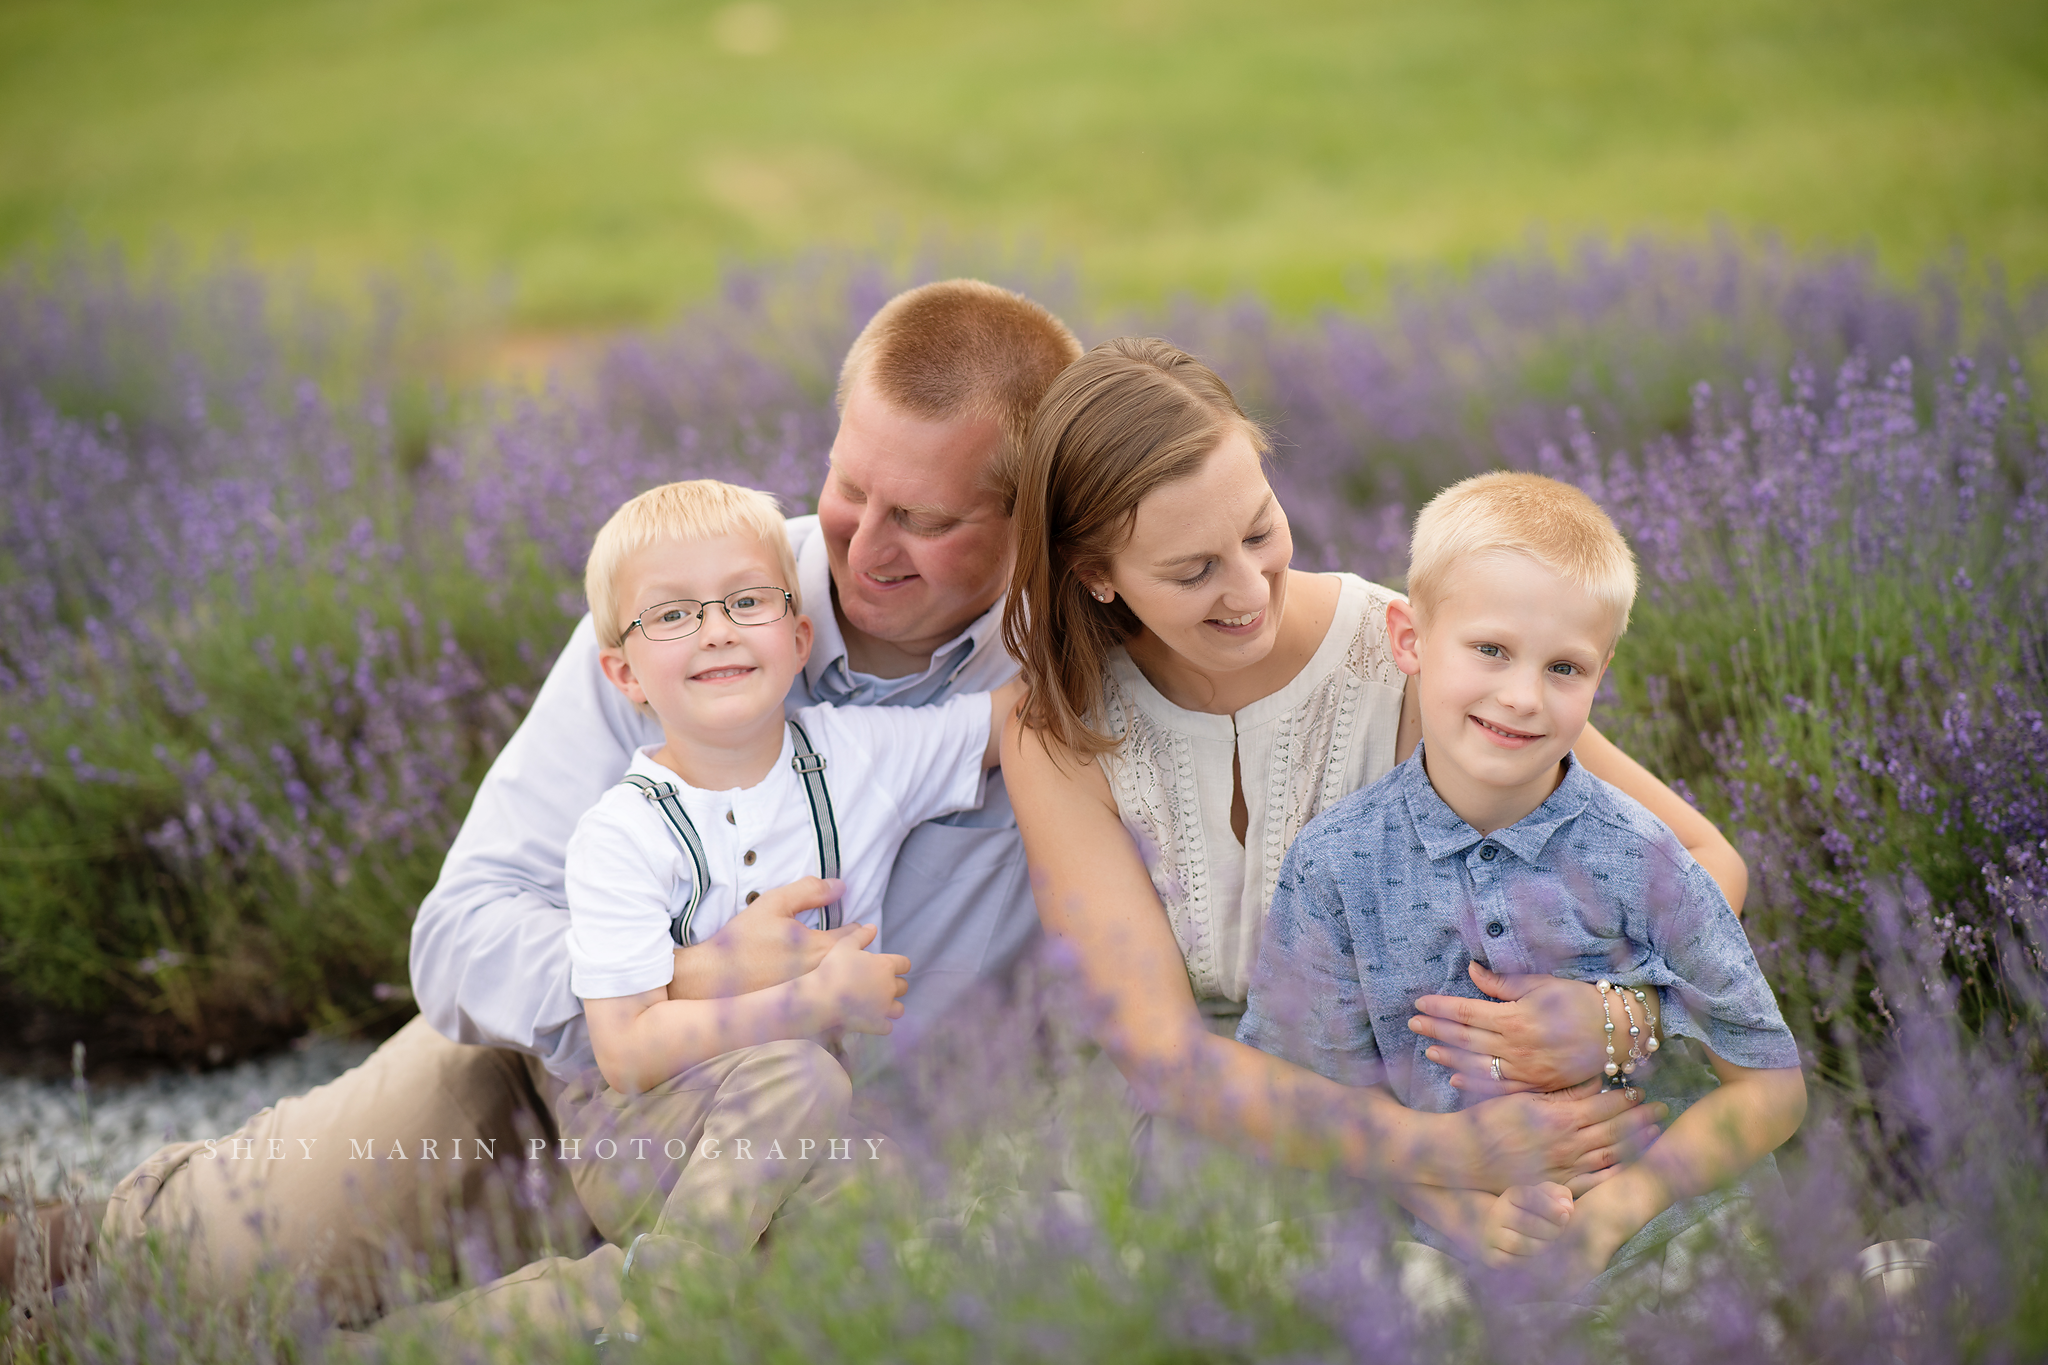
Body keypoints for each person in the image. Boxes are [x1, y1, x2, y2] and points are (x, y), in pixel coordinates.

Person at [87, 279, 1080, 1336]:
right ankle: (80, 1247)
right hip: (563, 1087)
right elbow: (464, 932)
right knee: (199, 1266)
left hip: (825, 1170)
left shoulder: (1079, 673)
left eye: (923, 521)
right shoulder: (695, 602)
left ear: (1039, 521)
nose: (864, 547)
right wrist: (670, 978)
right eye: (848, 488)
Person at [1000, 337, 1750, 1199]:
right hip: (1213, 1132)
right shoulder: (1055, 729)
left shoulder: (1396, 646)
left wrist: (1615, 1016)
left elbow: (1703, 860)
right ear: (1097, 575)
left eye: (1259, 530)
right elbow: (1167, 1055)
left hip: (1443, 1084)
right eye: (1194, 570)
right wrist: (1436, 1162)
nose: (1248, 589)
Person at [1238, 471, 1806, 1296]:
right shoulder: (1336, 865)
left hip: (1664, 1227)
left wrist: (1622, 1209)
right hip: (1438, 1237)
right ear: (1410, 639)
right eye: (1491, 649)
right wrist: (1461, 1211)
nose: (1522, 696)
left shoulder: (1640, 854)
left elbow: (1771, 1088)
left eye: (1565, 668)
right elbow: (1309, 1095)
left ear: (1601, 673)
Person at [557, 477, 1017, 1258]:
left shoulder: (857, 754)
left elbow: (1015, 715)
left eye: (747, 600)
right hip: (645, 1140)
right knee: (802, 1077)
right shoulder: (622, 832)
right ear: (625, 674)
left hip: (815, 1139)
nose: (717, 632)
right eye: (671, 614)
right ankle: (671, 1301)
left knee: (895, 1202)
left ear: (799, 637)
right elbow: (627, 1054)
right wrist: (813, 1001)